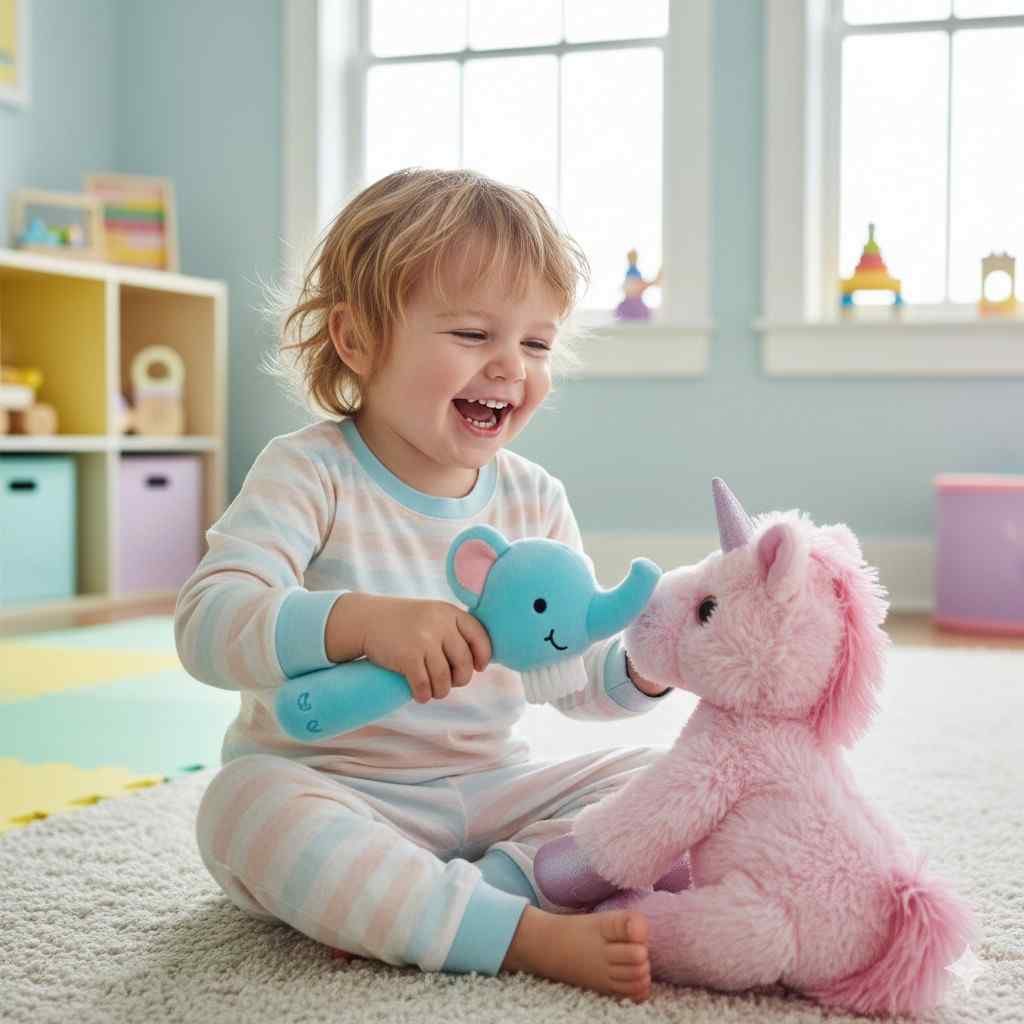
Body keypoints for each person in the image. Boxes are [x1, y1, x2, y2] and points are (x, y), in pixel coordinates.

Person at [175, 167, 676, 1004]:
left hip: (493, 794)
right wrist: (359, 623)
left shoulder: (534, 498)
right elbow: (208, 622)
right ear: (359, 340)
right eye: (474, 334)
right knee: (239, 809)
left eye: (538, 344)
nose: (511, 367)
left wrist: (648, 665)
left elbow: (572, 673)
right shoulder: (309, 473)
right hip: (337, 788)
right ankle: (519, 932)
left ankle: (444, 903)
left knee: (671, 781)